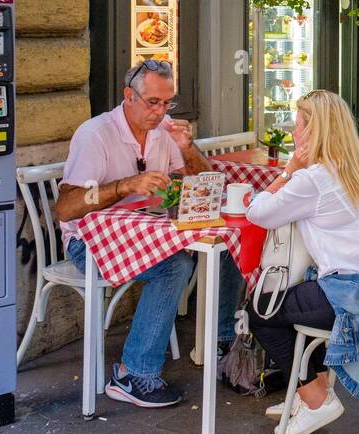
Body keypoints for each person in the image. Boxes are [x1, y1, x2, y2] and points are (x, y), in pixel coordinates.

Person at [53, 59, 245, 407]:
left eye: (167, 102)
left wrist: (187, 148)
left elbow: (207, 182)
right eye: (152, 102)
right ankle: (132, 374)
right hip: (91, 241)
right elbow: (65, 208)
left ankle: (222, 341)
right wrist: (125, 186)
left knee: (229, 241)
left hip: (149, 231)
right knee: (175, 267)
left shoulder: (164, 131)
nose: (160, 112)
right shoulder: (96, 134)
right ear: (129, 96)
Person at [245, 90, 359, 434]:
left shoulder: (312, 179)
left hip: (358, 295)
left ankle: (317, 400)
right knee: (292, 300)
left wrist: (289, 169)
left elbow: (258, 212)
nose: (292, 130)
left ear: (313, 130)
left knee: (261, 310)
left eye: (298, 124)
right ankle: (306, 392)